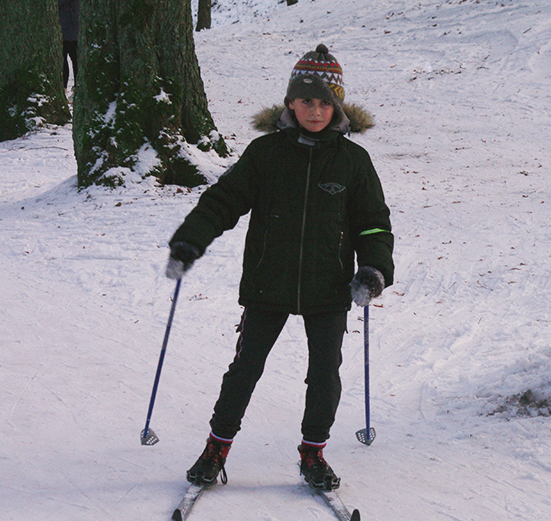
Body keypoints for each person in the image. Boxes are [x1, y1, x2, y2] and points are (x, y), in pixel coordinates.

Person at [165, 44, 394, 491]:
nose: (315, 109)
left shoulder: (352, 162)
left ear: (338, 106)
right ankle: (217, 448)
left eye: (325, 101)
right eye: (306, 99)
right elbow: (222, 201)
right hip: (268, 282)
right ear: (290, 102)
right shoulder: (265, 153)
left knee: (324, 373)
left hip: (329, 288)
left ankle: (313, 454)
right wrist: (189, 242)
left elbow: (372, 224)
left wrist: (373, 270)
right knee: (245, 367)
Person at [58, 0, 84, 90]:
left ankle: (77, 88)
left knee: (74, 55)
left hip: (72, 18)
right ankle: (64, 87)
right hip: (67, 17)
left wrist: (56, 1)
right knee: (64, 55)